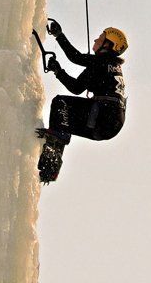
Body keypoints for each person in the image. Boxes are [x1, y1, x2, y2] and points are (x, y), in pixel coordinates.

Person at [37, 24, 128, 184]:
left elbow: (75, 60)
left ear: (108, 45)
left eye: (100, 38)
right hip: (109, 125)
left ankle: (55, 147)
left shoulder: (103, 61)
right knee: (62, 121)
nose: (95, 39)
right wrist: (58, 71)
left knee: (60, 103)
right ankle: (50, 169)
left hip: (103, 115)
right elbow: (78, 86)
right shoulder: (111, 66)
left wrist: (59, 35)